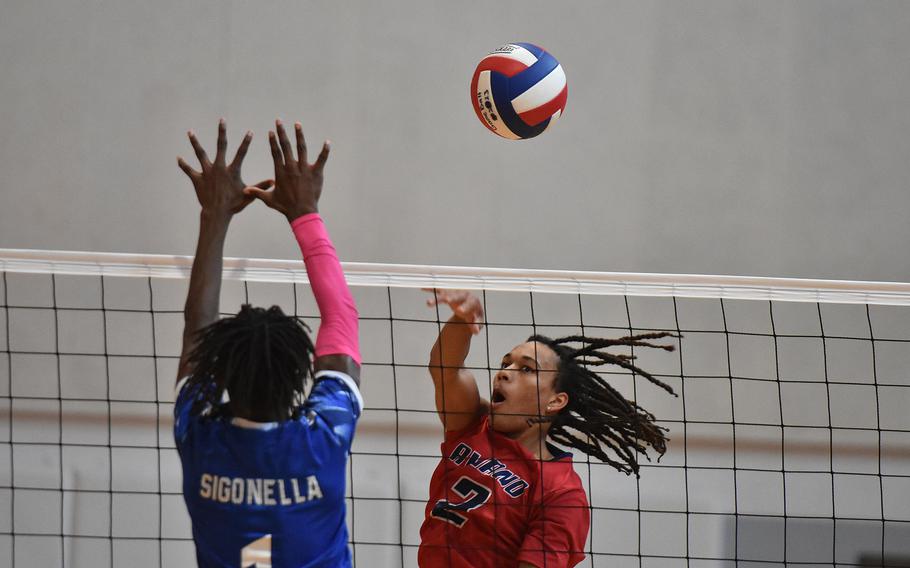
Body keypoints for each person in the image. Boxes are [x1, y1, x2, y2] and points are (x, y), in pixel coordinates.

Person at [174, 119, 361, 567]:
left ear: (216, 372)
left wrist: (213, 215)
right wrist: (305, 213)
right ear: (302, 372)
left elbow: (197, 323)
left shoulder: (200, 432)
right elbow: (341, 315)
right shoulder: (324, 436)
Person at [419, 289, 677, 567]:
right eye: (506, 363)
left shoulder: (562, 492)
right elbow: (445, 368)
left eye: (527, 369)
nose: (504, 372)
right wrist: (463, 318)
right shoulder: (473, 424)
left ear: (555, 401)